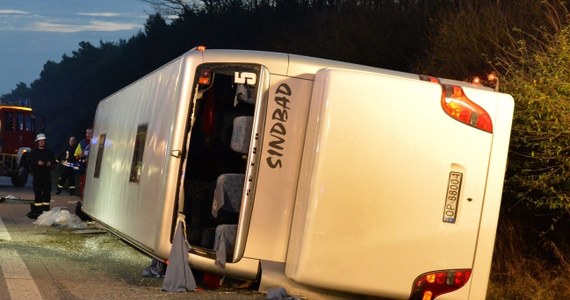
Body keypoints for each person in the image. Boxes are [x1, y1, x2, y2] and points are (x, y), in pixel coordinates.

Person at [26, 133, 57, 219]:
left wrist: (51, 163)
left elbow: (54, 162)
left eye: (43, 141)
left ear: (45, 141)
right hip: (37, 176)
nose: (41, 142)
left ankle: (46, 211)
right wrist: (37, 163)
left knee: (47, 193)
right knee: (38, 193)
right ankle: (38, 212)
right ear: (37, 142)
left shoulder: (49, 152)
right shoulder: (33, 152)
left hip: (46, 176)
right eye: (40, 141)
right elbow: (29, 162)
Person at [75, 127, 92, 198]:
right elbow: (76, 154)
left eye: (90, 133)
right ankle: (82, 198)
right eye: (87, 133)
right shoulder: (82, 143)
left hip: (93, 168)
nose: (88, 134)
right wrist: (79, 155)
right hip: (84, 167)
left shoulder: (97, 142)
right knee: (83, 184)